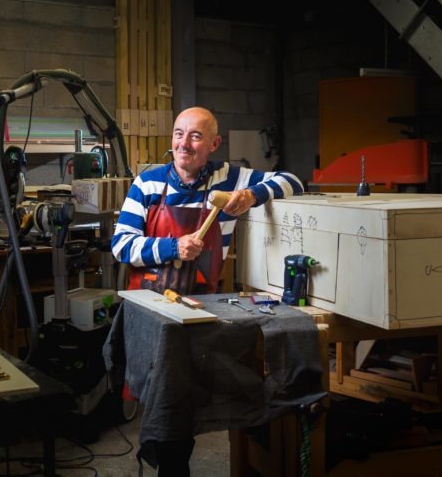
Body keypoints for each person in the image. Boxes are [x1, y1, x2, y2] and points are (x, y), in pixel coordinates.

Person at [110, 106, 304, 476]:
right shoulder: (147, 183)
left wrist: (253, 195)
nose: (185, 143)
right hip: (152, 309)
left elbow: (294, 180)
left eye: (196, 136)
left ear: (213, 144)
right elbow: (121, 246)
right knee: (164, 402)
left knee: (190, 400)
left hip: (200, 309)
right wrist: (171, 248)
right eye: (179, 134)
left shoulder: (230, 179)